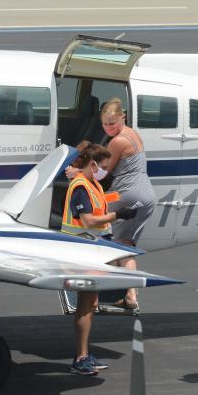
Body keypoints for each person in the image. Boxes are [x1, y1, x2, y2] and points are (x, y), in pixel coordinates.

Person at [67, 97, 156, 310]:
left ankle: (124, 294)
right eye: (105, 124)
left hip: (127, 193)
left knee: (119, 247)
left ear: (122, 117)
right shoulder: (132, 134)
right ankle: (124, 293)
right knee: (125, 244)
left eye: (113, 123)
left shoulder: (117, 142)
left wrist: (76, 172)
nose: (108, 128)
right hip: (146, 194)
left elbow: (103, 172)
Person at [61, 141, 138, 375]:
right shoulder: (80, 187)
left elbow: (99, 210)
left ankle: (83, 355)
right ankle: (81, 358)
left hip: (94, 251)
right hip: (83, 252)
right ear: (93, 165)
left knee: (90, 305)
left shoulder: (92, 183)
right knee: (85, 306)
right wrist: (118, 214)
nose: (106, 170)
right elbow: (87, 221)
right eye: (103, 166)